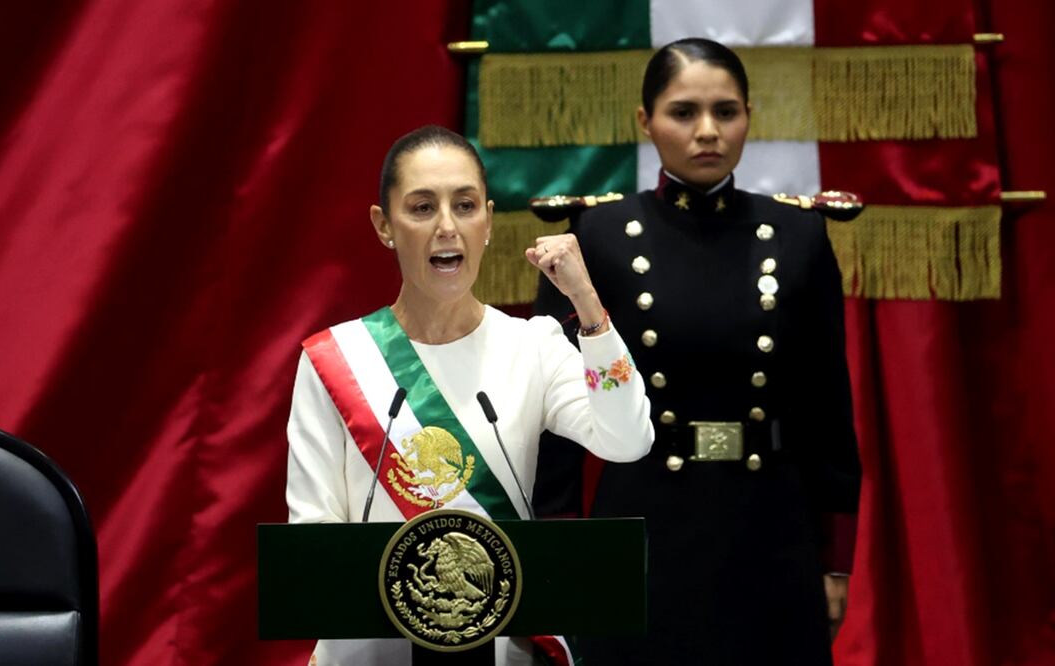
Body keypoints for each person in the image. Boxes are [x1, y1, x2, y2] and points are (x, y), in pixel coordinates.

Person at [533, 38, 862, 665]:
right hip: (643, 527)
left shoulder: (798, 236)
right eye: (683, 112)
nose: (707, 131)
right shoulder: (596, 238)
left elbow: (827, 414)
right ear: (645, 121)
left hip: (771, 529)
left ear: (749, 116)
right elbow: (555, 428)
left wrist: (835, 564)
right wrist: (562, 557)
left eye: (726, 111)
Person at [286, 125, 654, 666]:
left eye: (465, 205)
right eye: (421, 208)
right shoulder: (333, 359)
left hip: (503, 651)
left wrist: (588, 305)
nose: (446, 227)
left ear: (487, 222)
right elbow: (313, 539)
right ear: (384, 226)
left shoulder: (533, 345)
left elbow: (628, 440)